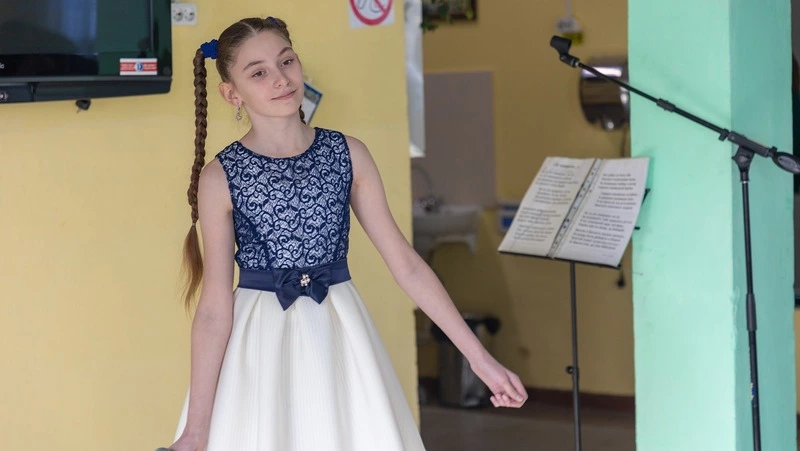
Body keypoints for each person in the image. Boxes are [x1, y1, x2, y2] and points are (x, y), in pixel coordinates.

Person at [167, 16, 528, 451]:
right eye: (258, 73)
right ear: (232, 93)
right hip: (258, 340)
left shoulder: (348, 154)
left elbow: (407, 265)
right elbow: (212, 310)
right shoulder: (219, 177)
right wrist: (197, 430)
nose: (280, 79)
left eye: (287, 61)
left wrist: (479, 358)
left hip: (339, 330)